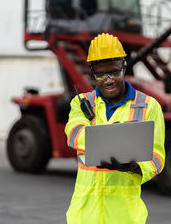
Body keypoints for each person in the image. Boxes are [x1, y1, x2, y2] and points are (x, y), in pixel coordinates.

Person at [65, 33, 165, 224]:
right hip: (84, 215)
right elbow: (74, 134)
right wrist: (114, 139)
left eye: (114, 72)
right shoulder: (81, 103)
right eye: (101, 74)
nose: (108, 80)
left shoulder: (149, 107)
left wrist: (135, 168)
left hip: (124, 217)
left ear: (124, 67)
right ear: (92, 71)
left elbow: (157, 157)